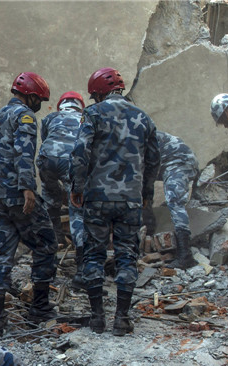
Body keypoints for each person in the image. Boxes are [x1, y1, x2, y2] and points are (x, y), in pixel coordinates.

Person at [70, 68, 159, 336]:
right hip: (130, 199)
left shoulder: (94, 114)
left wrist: (77, 185)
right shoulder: (143, 117)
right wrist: (147, 193)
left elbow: (80, 150)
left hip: (97, 197)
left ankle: (97, 317)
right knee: (127, 256)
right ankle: (121, 318)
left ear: (97, 93)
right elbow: (154, 159)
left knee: (94, 254)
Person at [0, 72, 59, 335]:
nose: (39, 105)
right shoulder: (25, 116)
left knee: (1, 255)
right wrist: (27, 187)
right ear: (32, 96)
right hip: (17, 195)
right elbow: (25, 151)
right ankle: (39, 308)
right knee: (46, 243)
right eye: (40, 100)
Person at [37, 91, 86, 287]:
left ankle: (53, 245)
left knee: (50, 198)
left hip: (46, 159)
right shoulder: (85, 118)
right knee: (77, 211)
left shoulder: (50, 117)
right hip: (70, 161)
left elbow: (46, 139)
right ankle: (82, 268)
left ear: (61, 106)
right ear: (79, 105)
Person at [155, 131, 198, 269]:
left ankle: (186, 256)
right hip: (164, 164)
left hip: (178, 161)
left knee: (174, 201)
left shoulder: (131, 136)